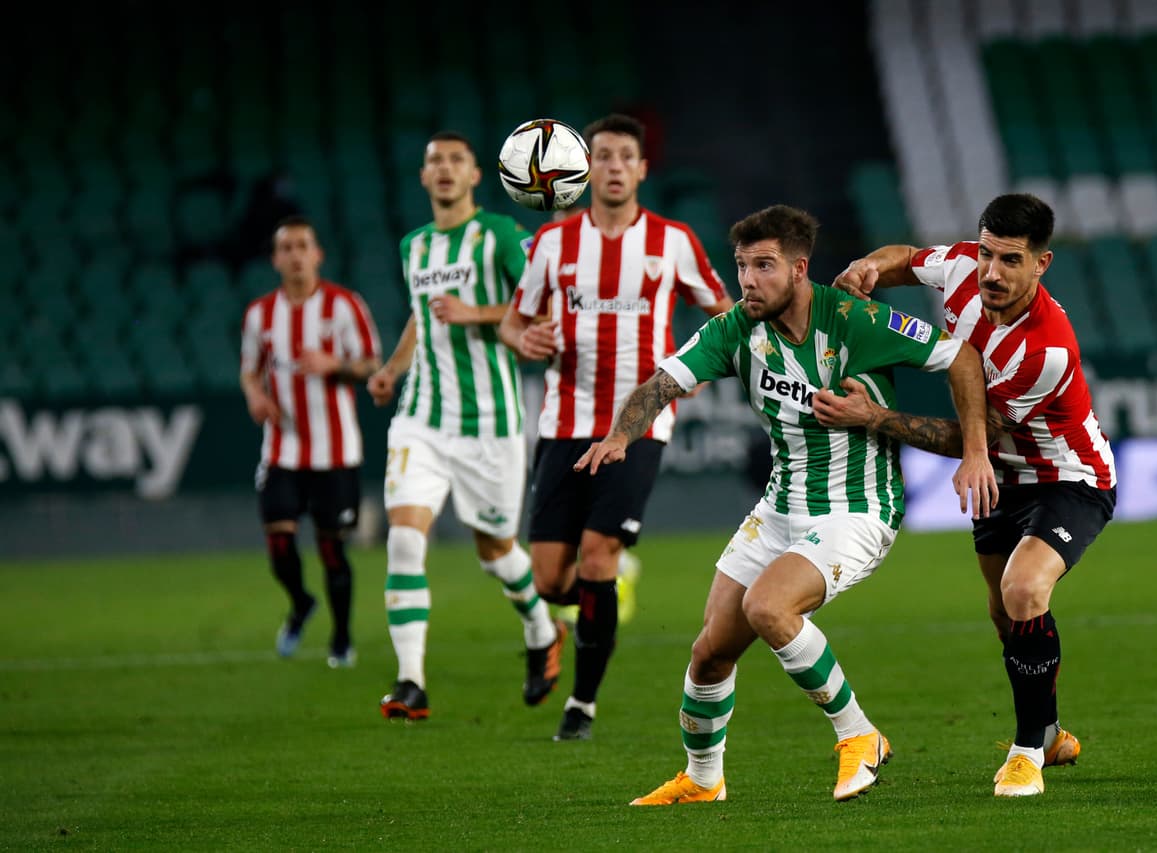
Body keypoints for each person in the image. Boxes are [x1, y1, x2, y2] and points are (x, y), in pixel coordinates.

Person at [575, 204, 996, 804]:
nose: (747, 280)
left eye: (763, 266)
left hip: (857, 508)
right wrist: (621, 434)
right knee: (709, 653)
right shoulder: (735, 329)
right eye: (742, 266)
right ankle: (702, 780)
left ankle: (860, 737)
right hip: (779, 508)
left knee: (769, 608)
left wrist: (974, 450)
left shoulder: (856, 319)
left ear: (800, 269)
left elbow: (960, 358)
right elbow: (662, 383)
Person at [831, 192, 1118, 797]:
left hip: (1067, 477)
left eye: (1010, 260)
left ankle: (1026, 752)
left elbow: (972, 438)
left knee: (1023, 589)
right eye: (987, 253)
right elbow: (906, 258)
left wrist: (871, 417)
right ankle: (1054, 731)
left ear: (1042, 264)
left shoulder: (1045, 349)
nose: (990, 272)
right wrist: (868, 267)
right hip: (1001, 478)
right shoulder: (964, 267)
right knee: (1003, 613)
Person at [498, 113, 736, 741]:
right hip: (563, 420)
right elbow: (511, 322)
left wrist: (704, 365)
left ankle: (582, 705)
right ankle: (602, 596)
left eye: (622, 156)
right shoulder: (553, 244)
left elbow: (724, 312)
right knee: (549, 578)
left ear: (640, 169)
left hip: (638, 427)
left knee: (598, 556)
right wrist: (529, 339)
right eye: (600, 155)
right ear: (584, 168)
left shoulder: (673, 241)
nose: (610, 166)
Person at [366, 131, 563, 722]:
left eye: (456, 160)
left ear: (476, 175)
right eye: (435, 162)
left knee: (496, 550)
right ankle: (410, 682)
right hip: (421, 418)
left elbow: (545, 303)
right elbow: (421, 321)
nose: (445, 169)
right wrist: (391, 371)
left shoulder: (500, 235)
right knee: (403, 538)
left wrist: (473, 311)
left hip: (491, 422)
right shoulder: (414, 247)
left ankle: (539, 631)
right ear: (424, 178)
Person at [239, 215, 382, 668]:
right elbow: (249, 369)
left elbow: (371, 365)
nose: (297, 254)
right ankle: (301, 603)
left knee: (331, 550)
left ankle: (341, 637)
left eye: (304, 245)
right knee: (279, 548)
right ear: (276, 258)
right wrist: (256, 395)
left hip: (335, 453)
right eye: (288, 247)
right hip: (282, 450)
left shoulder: (345, 305)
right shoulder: (260, 314)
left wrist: (333, 364)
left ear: (318, 254)